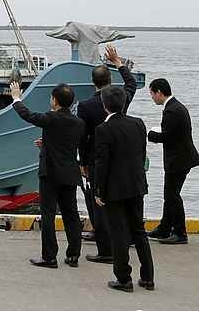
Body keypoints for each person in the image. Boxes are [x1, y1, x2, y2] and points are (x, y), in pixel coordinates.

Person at [9, 80, 85, 268]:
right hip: (69, 173)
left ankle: (50, 256)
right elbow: (67, 143)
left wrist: (16, 98)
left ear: (55, 101)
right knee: (71, 214)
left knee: (49, 214)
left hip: (50, 174)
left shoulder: (51, 118)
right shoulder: (79, 123)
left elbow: (28, 115)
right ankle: (74, 254)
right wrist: (48, 143)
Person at [77, 45, 138, 264]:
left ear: (93, 82)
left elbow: (82, 137)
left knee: (99, 203)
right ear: (110, 80)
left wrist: (82, 161)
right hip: (122, 158)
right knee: (121, 200)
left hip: (95, 159)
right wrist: (118, 62)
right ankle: (126, 237)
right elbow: (131, 84)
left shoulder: (85, 106)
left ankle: (105, 249)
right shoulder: (121, 98)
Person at [94, 85, 154, 292]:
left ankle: (124, 278)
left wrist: (98, 191)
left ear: (105, 105)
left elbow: (102, 163)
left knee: (119, 233)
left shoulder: (103, 130)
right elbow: (141, 153)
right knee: (139, 231)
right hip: (136, 184)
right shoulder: (138, 124)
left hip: (115, 188)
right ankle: (147, 277)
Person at [146, 78, 199, 245]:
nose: (152, 97)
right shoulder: (176, 107)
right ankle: (164, 227)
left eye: (152, 94)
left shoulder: (172, 111)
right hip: (181, 158)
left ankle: (180, 232)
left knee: (172, 196)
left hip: (179, 160)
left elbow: (169, 136)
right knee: (169, 195)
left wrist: (151, 135)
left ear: (159, 92)